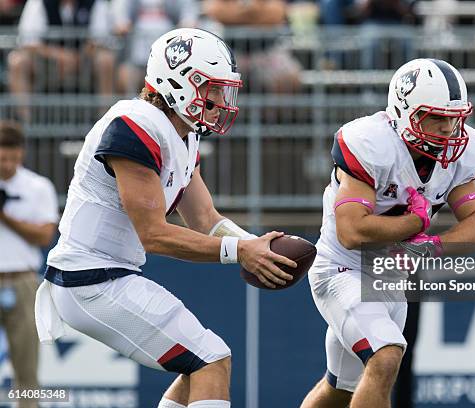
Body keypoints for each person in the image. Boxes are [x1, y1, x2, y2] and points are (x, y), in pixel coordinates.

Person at [34, 28, 296, 408]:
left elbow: (205, 217)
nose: (221, 100)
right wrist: (240, 251)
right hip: (89, 279)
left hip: (109, 275)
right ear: (178, 82)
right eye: (212, 88)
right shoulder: (135, 124)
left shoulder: (182, 134)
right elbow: (154, 236)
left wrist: (259, 246)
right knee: (211, 359)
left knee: (202, 361)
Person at [301, 58, 475, 408]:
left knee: (339, 389)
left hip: (389, 277)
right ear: (405, 112)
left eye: (454, 119)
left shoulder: (462, 151)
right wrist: (415, 224)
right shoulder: (372, 143)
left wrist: (429, 247)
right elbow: (352, 230)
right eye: (436, 117)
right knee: (386, 356)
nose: (448, 130)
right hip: (342, 268)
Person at [0, 121, 58, 408]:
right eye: (1, 159)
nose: (8, 164)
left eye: (12, 157)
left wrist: (5, 216)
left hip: (22, 282)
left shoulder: (38, 186)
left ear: (21, 153)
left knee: (26, 367)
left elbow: (45, 235)